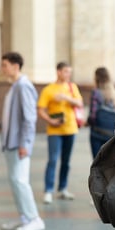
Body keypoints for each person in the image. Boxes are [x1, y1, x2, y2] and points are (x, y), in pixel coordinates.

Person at [0, 52, 45, 230]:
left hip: (19, 144)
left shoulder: (23, 86)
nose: (3, 69)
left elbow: (29, 118)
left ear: (15, 66)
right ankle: (24, 217)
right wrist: (1, 125)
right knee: (15, 180)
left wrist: (25, 143)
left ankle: (34, 219)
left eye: (5, 65)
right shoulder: (15, 86)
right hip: (11, 142)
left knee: (20, 180)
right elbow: (14, 116)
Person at [38, 62, 83, 204]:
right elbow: (40, 109)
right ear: (58, 72)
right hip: (54, 130)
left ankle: (63, 188)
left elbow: (80, 103)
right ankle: (48, 190)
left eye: (69, 72)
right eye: (65, 71)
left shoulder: (72, 87)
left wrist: (65, 98)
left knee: (66, 161)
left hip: (70, 128)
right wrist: (50, 121)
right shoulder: (48, 89)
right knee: (52, 160)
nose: (68, 74)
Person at [87, 67, 115, 158]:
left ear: (97, 78)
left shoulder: (96, 92)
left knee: (98, 163)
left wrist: (88, 122)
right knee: (108, 162)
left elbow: (93, 114)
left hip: (97, 132)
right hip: (110, 133)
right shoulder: (113, 92)